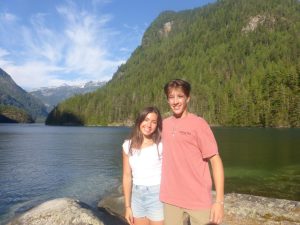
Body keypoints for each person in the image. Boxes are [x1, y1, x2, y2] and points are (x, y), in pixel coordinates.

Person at [160, 79, 225, 225]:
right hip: (171, 199)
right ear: (167, 100)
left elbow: (215, 161)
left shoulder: (199, 124)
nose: (175, 101)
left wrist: (219, 202)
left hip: (198, 200)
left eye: (180, 96)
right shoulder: (164, 125)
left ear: (188, 98)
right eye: (171, 97)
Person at [122, 106, 164, 225]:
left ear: (157, 125)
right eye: (146, 119)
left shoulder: (161, 145)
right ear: (139, 121)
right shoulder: (127, 145)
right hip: (137, 197)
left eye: (153, 122)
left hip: (157, 195)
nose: (149, 125)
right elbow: (126, 176)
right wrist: (127, 206)